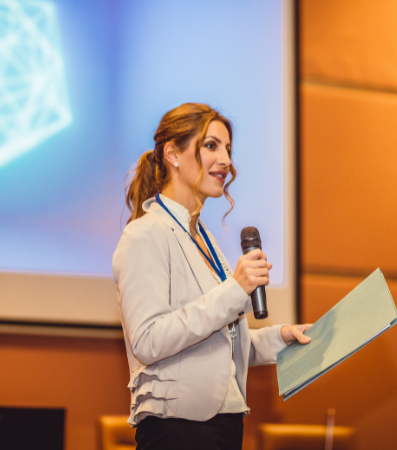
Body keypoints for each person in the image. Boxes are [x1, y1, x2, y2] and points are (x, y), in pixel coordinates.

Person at [113, 103, 312, 450]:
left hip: (224, 429)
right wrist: (235, 290)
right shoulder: (145, 234)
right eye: (211, 146)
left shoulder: (203, 239)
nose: (225, 161)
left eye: (228, 150)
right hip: (178, 432)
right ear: (172, 153)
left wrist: (282, 338)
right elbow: (147, 340)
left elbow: (218, 344)